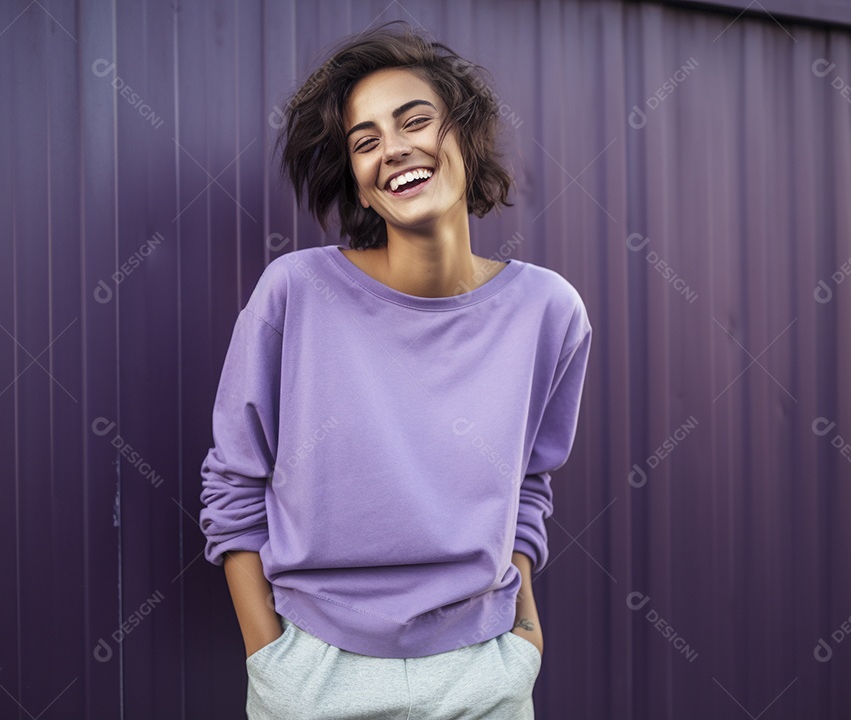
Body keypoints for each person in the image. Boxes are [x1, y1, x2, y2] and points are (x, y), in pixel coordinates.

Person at [200, 20, 592, 719]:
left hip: (486, 673)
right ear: (355, 177)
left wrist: (524, 640)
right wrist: (273, 661)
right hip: (315, 677)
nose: (395, 150)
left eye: (416, 120)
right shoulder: (295, 293)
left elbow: (529, 483)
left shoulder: (548, 311)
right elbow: (234, 485)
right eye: (366, 140)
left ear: (465, 135)